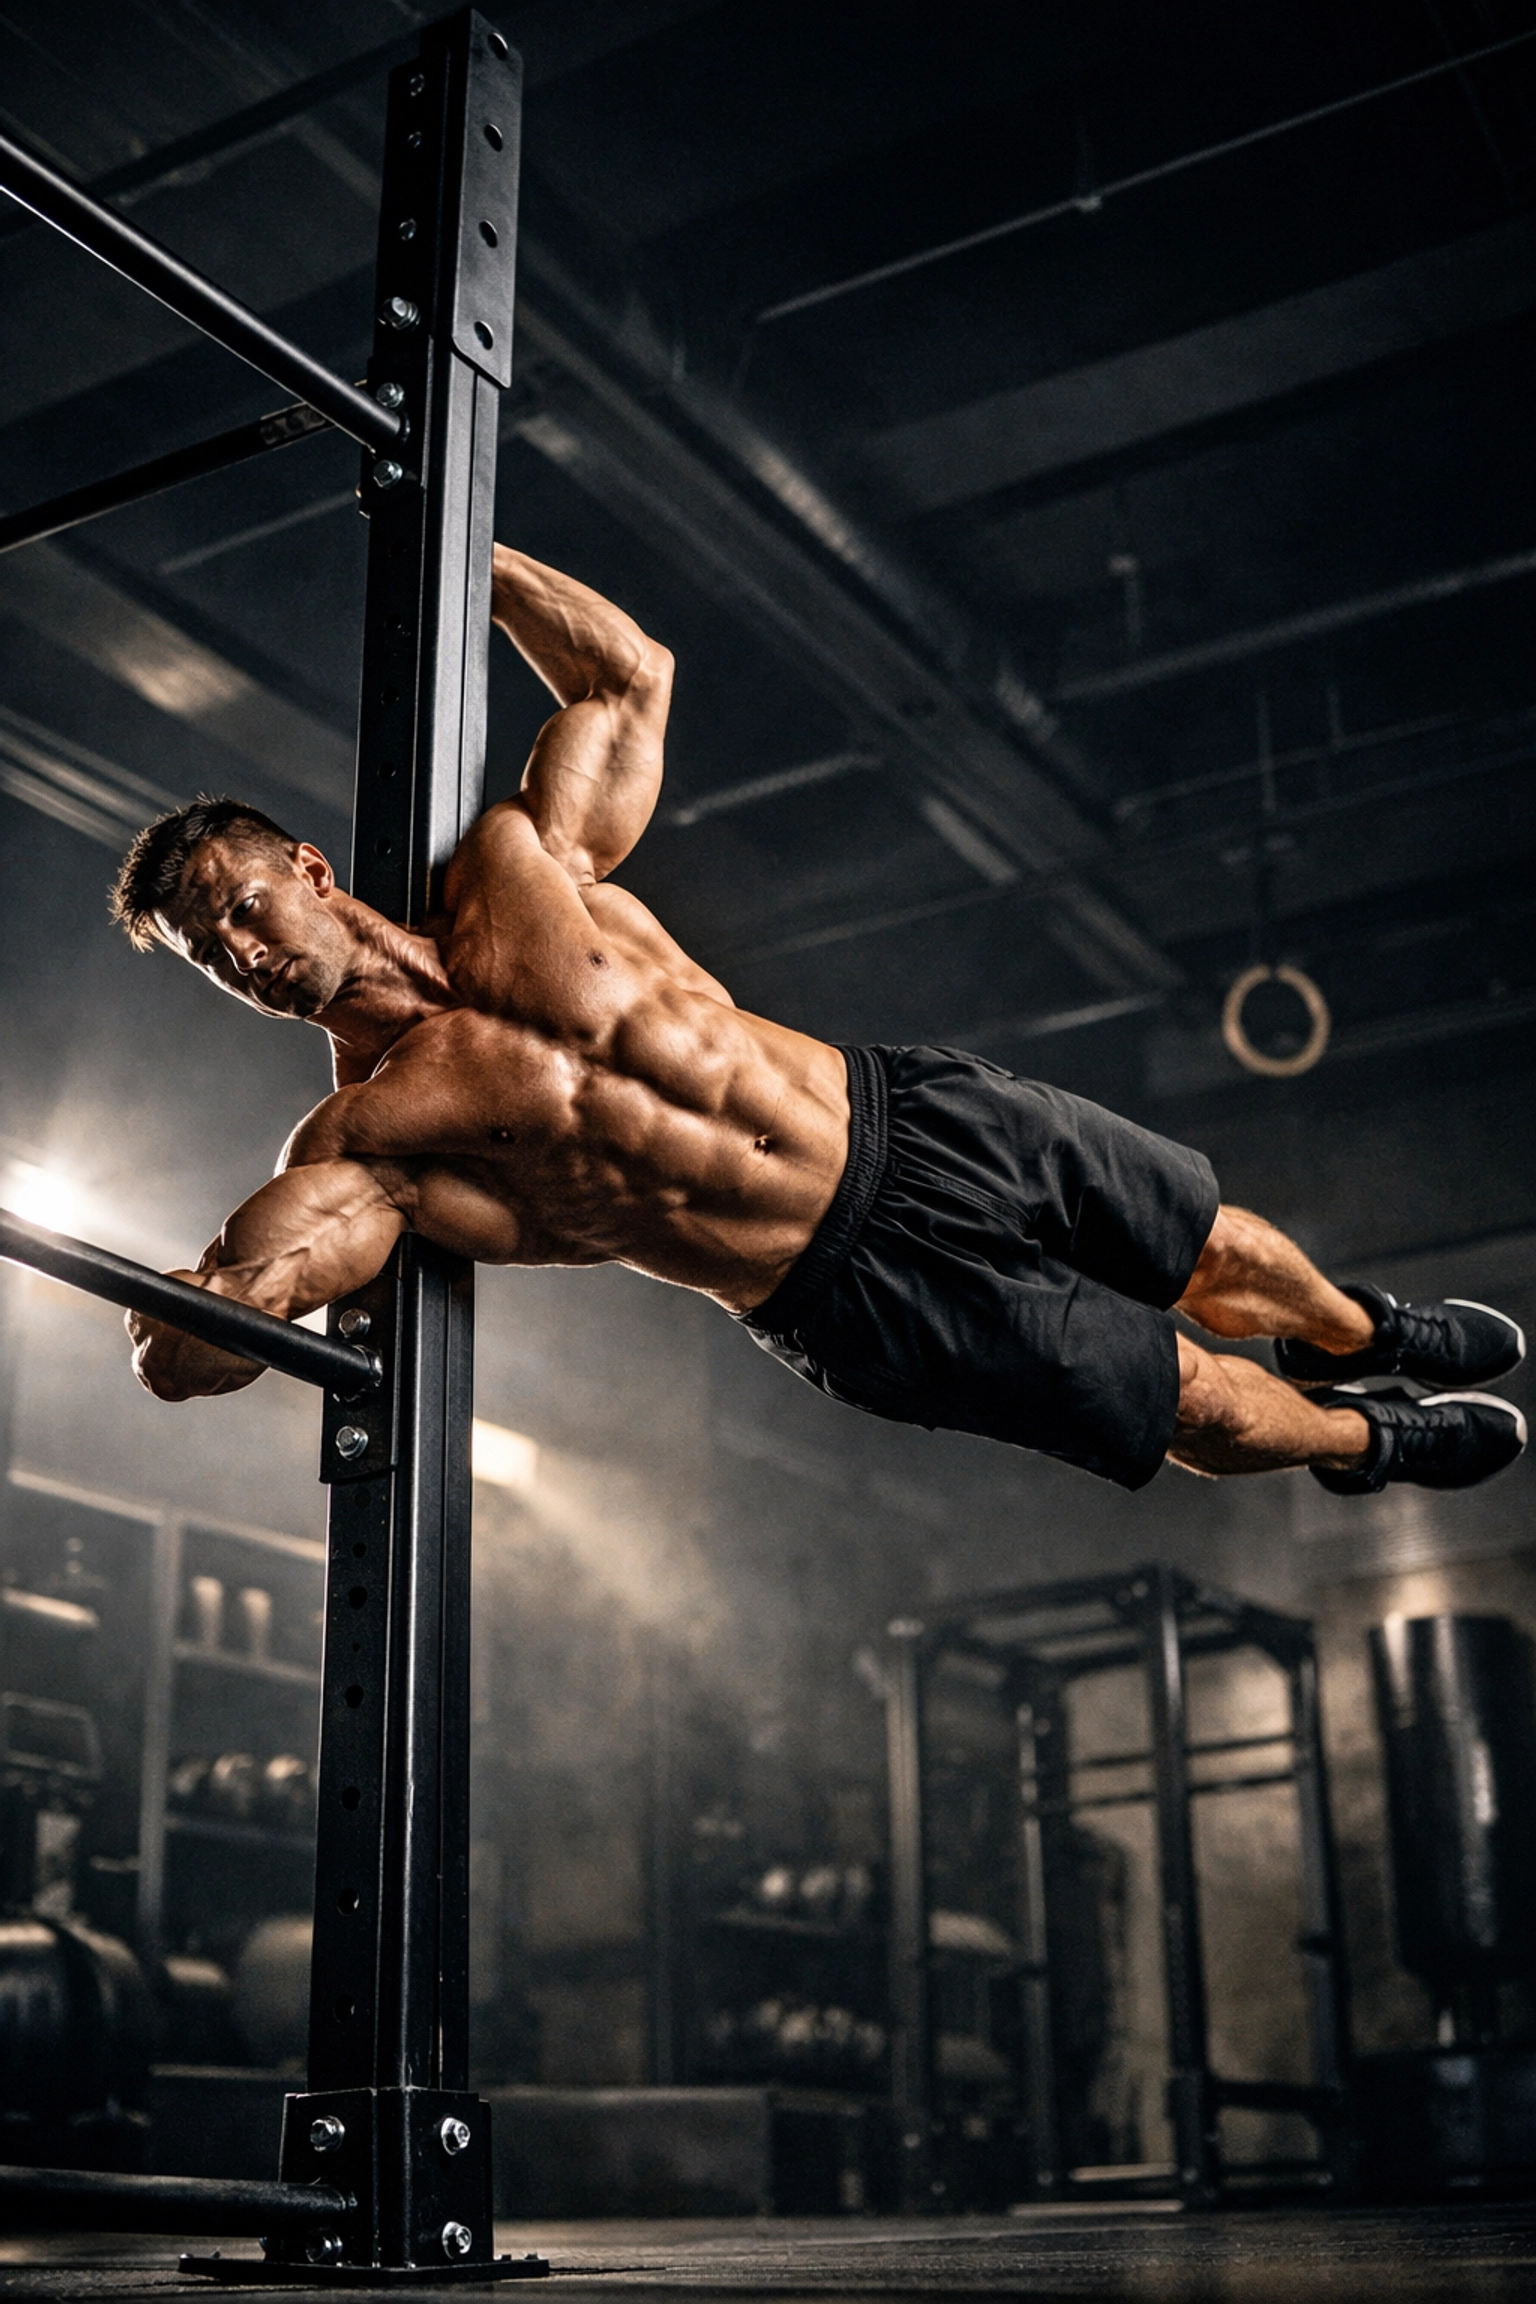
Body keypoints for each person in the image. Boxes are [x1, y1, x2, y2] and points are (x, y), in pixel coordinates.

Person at [109, 547, 1526, 1498]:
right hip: (838, 1290)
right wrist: (212, 1310)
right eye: (202, 952)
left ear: (306, 868)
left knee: (1211, 1248)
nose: (236, 950)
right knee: (1193, 1404)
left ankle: (1352, 1327)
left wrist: (455, 551)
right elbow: (186, 1354)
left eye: (239, 905)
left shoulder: (522, 864)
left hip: (913, 1120)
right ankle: (1363, 1437)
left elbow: (627, 678)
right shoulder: (366, 1140)